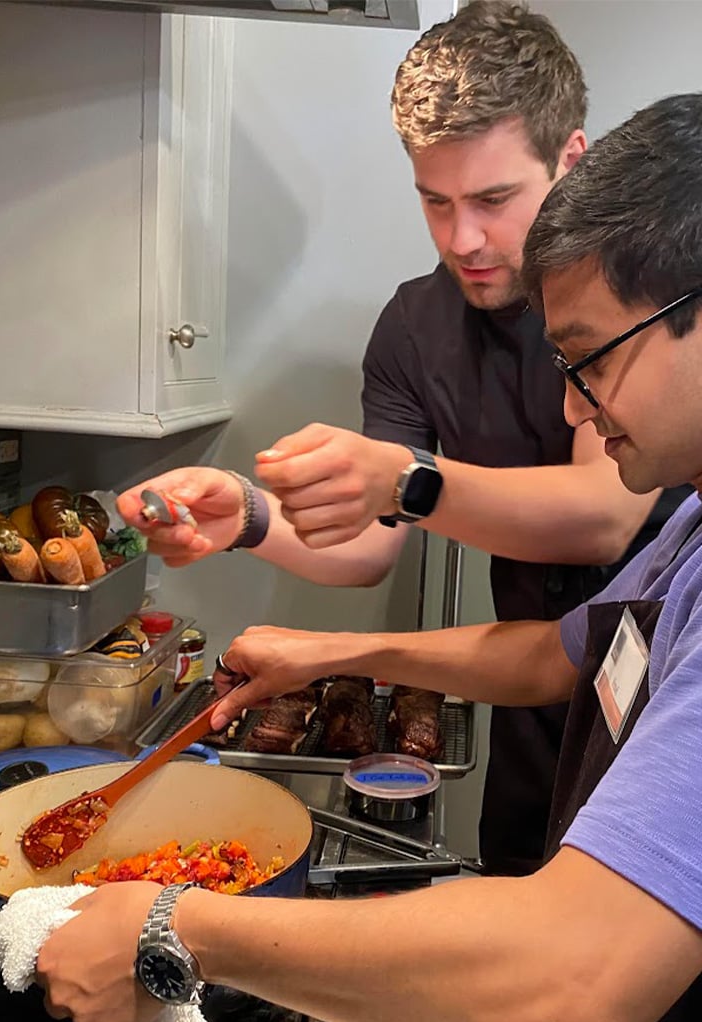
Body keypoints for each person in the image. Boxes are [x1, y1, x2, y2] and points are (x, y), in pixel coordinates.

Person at [38, 92, 702, 1022]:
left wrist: (174, 927)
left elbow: (575, 973)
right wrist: (293, 578)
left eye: (590, 363)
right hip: (567, 765)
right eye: (436, 202)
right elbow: (557, 653)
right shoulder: (689, 524)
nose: (571, 410)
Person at [117, 1, 687, 877]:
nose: (465, 239)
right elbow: (377, 545)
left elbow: (602, 517)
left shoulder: (623, 303)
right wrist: (257, 519)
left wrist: (407, 480)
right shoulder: (416, 327)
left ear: (571, 159)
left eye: (494, 200)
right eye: (435, 201)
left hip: (665, 699)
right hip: (536, 684)